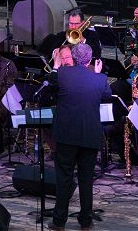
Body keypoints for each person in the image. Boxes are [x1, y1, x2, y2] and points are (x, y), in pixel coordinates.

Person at [49, 43, 111, 231]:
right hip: (89, 136)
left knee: (63, 179)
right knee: (86, 181)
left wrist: (55, 65)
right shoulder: (100, 79)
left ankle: (59, 222)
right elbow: (106, 96)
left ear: (73, 58)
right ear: (91, 60)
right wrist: (98, 73)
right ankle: (85, 221)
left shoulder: (62, 74)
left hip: (66, 136)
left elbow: (50, 86)